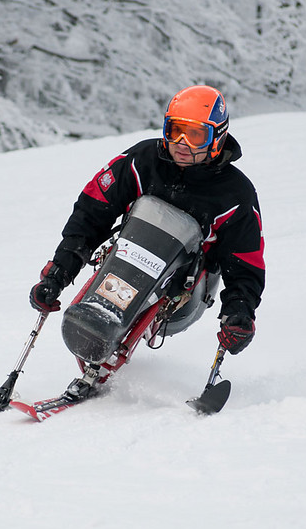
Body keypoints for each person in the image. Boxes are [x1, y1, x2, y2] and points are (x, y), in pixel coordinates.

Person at [29, 84, 265, 357]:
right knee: (147, 210)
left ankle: (113, 326)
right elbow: (92, 211)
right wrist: (60, 271)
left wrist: (239, 312)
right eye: (175, 132)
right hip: (128, 264)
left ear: (217, 138)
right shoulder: (142, 161)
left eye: (196, 136)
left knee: (179, 228)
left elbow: (245, 262)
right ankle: (97, 321)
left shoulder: (235, 194)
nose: (182, 144)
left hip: (184, 292)